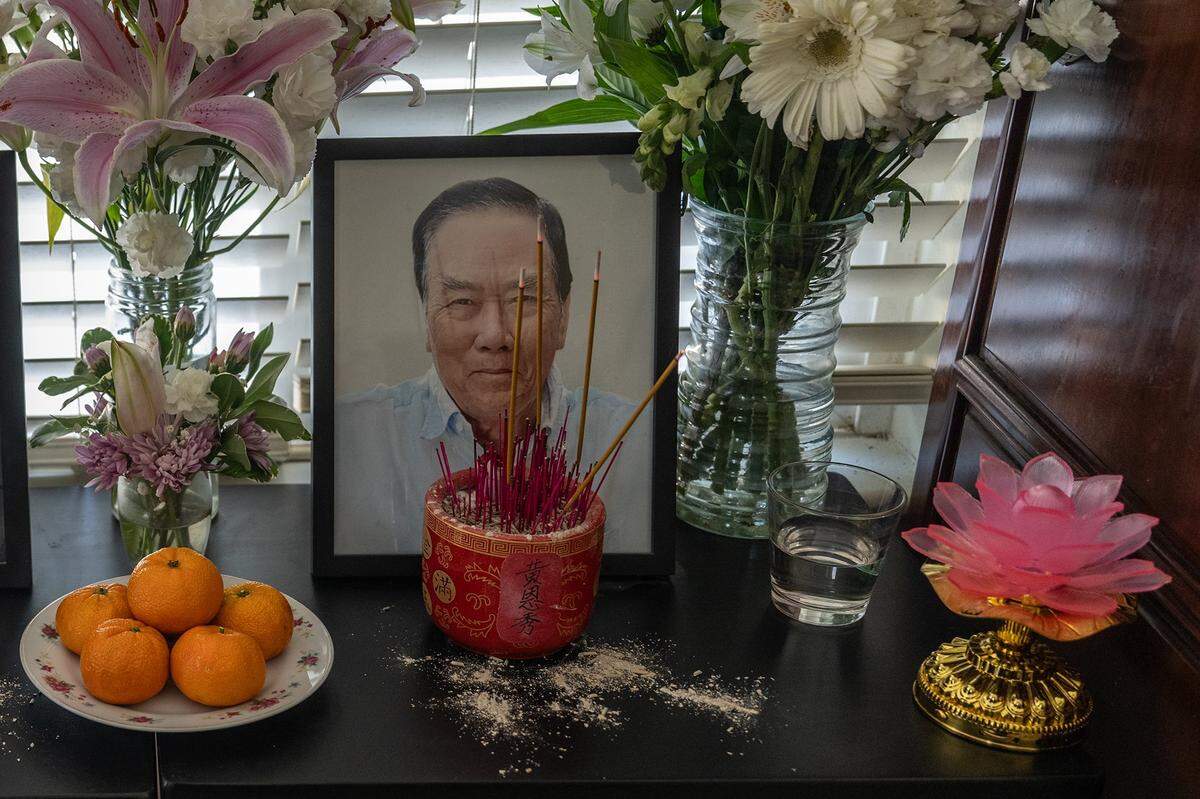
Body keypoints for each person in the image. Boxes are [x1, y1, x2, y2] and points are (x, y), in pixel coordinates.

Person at [334, 178, 650, 555]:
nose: (496, 334)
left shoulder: (637, 441)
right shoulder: (348, 440)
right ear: (426, 322)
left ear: (564, 316)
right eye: (462, 301)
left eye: (526, 299)